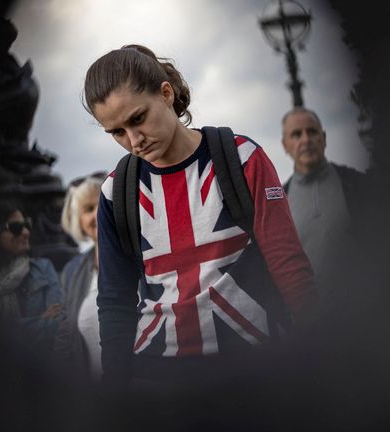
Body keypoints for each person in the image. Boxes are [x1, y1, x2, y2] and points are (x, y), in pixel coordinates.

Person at [82, 44, 316, 390]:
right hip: (158, 382)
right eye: (116, 132)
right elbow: (114, 300)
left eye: (137, 119)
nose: (133, 140)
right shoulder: (115, 193)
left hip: (254, 371)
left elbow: (288, 263)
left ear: (166, 93)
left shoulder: (242, 158)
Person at [281, 107, 367, 300]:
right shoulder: (279, 202)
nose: (305, 140)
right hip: (312, 324)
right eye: (296, 134)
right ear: (285, 145)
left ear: (324, 138)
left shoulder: (357, 185)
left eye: (312, 131)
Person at [0, 199, 62, 358]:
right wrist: (39, 321)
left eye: (27, 225)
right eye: (16, 227)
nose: (26, 232)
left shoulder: (43, 268)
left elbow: (57, 325)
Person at [53, 171, 107, 382]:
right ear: (78, 221)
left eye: (102, 204)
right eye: (88, 209)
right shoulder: (72, 272)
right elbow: (64, 337)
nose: (97, 214)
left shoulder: (143, 255)